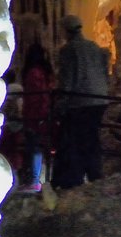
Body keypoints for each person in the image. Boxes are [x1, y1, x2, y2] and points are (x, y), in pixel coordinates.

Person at [53, 14, 111, 189]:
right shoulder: (94, 46)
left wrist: (60, 104)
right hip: (99, 100)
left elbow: (68, 80)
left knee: (73, 141)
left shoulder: (69, 50)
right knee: (91, 139)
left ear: (65, 31)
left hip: (80, 101)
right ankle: (94, 175)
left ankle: (73, 180)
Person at [19, 42, 55, 192]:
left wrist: (33, 116)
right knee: (37, 147)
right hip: (41, 114)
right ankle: (35, 179)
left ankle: (34, 181)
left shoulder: (34, 73)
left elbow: (35, 97)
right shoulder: (45, 73)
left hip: (35, 115)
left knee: (34, 147)